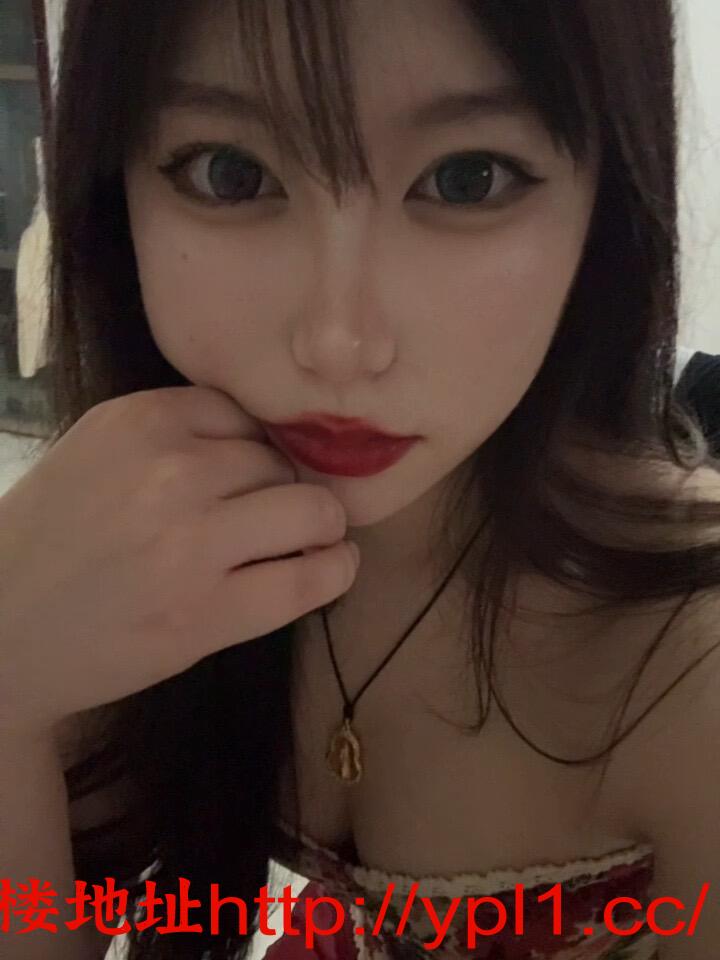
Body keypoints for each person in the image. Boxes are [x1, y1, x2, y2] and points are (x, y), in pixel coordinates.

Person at [2, 2, 720, 959]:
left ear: (607, 205)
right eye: (231, 172)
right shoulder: (115, 554)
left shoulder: (691, 663)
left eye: (467, 179)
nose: (338, 343)